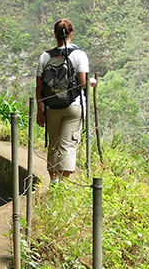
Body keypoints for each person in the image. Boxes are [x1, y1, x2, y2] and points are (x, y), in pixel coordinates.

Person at [35, 19, 96, 184]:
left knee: (53, 144)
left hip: (51, 107)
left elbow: (39, 86)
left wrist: (40, 110)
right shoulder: (79, 55)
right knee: (68, 144)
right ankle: (64, 184)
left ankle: (54, 181)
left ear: (55, 35)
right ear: (71, 34)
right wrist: (91, 82)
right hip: (73, 106)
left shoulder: (45, 57)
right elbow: (83, 83)